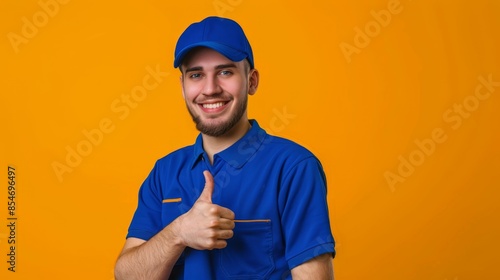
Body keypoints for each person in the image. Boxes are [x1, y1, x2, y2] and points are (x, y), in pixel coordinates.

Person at [114, 16, 336, 279]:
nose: (210, 89)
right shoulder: (164, 172)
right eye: (196, 75)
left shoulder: (293, 167)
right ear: (183, 86)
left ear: (251, 81)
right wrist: (180, 232)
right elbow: (126, 275)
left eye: (225, 72)